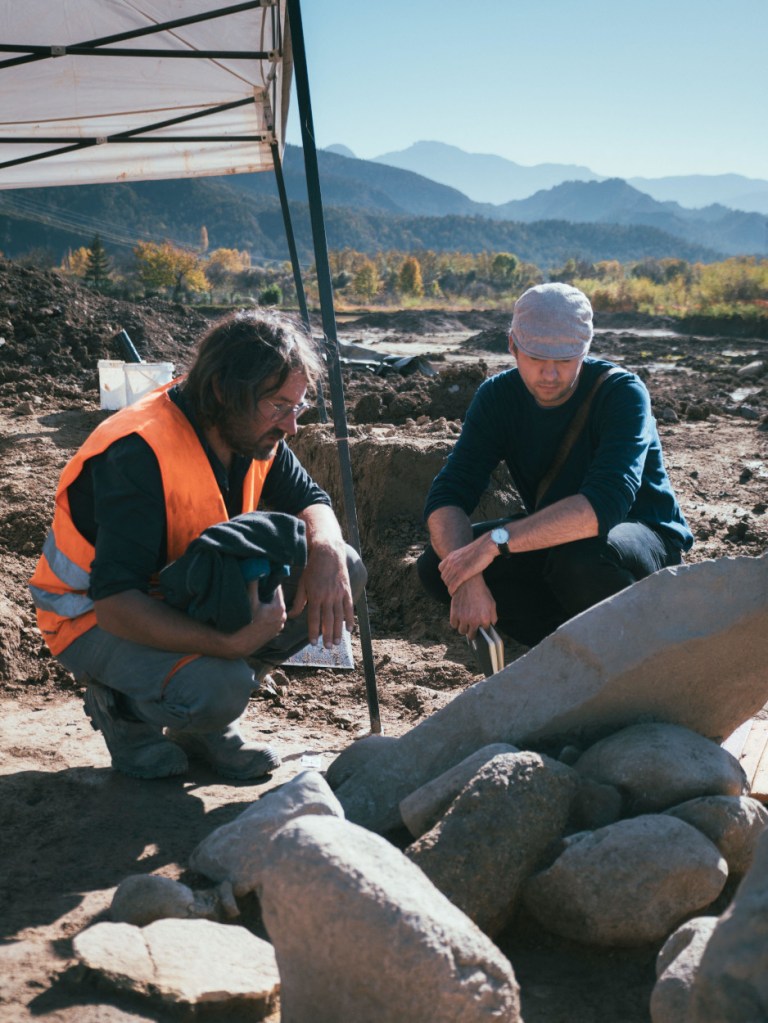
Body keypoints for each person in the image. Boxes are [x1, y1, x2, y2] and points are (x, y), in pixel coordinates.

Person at [29, 310, 365, 781]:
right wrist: (228, 644)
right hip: (90, 617)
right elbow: (115, 604)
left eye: (298, 407)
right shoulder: (137, 453)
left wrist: (327, 550)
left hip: (177, 592)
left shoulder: (249, 428)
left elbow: (312, 499)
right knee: (219, 688)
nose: (291, 426)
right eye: (278, 407)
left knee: (342, 562)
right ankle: (124, 710)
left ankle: (200, 727)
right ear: (223, 392)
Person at [417, 282, 692, 652]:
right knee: (438, 565)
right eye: (536, 359)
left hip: (639, 540)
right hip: (556, 542)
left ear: (586, 349)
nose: (549, 375)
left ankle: (642, 653)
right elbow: (449, 493)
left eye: (564, 361)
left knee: (579, 559)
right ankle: (567, 652)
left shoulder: (622, 394)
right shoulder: (498, 397)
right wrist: (465, 573)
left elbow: (603, 506)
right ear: (512, 346)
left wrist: (491, 545)